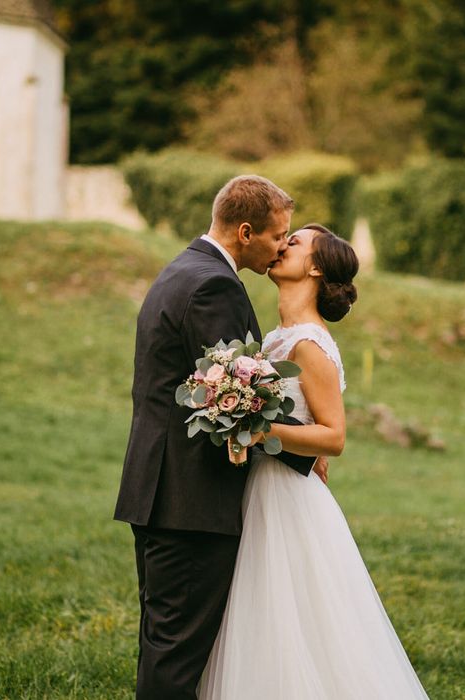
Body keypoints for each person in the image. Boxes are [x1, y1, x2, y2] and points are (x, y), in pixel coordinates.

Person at [199, 224, 430, 699]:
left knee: (291, 620)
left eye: (296, 242)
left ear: (317, 267)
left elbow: (334, 435)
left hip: (285, 498)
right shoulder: (278, 338)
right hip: (259, 486)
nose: (283, 245)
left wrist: (256, 426)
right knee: (260, 617)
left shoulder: (309, 343)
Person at [113, 175, 323, 699]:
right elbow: (234, 398)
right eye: (280, 235)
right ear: (246, 231)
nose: (281, 246)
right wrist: (311, 447)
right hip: (191, 501)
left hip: (161, 493)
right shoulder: (215, 285)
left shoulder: (183, 268)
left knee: (165, 646)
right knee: (177, 658)